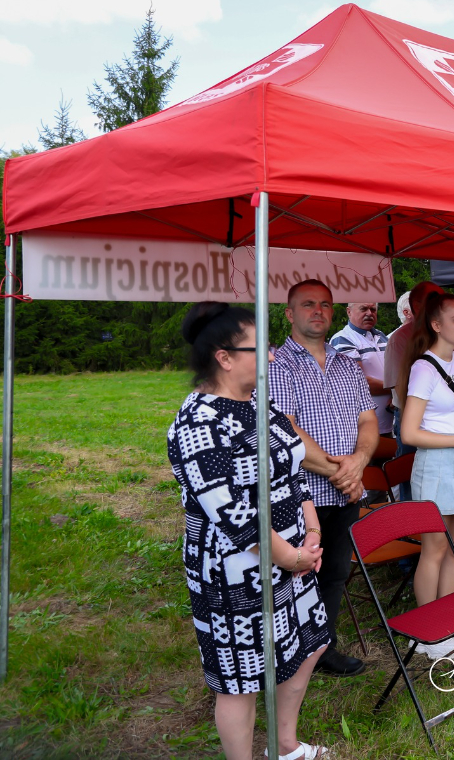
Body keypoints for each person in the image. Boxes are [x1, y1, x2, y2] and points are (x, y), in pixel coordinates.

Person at [168, 303, 332, 760]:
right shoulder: (199, 423)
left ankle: (284, 744)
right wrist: (292, 556)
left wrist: (312, 527)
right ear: (224, 357)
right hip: (236, 574)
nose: (273, 357)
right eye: (261, 348)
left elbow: (291, 465)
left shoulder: (258, 401)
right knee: (240, 680)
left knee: (308, 646)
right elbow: (238, 518)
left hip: (295, 555)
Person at [267, 279, 376, 679]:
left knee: (333, 572)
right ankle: (288, 653)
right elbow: (287, 430)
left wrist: (359, 463)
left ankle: (321, 648)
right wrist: (345, 475)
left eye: (325, 304)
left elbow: (368, 420)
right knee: (294, 577)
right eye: (308, 304)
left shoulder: (348, 363)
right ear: (289, 313)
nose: (318, 311)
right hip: (301, 493)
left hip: (347, 490)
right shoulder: (275, 364)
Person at [397, 292, 454, 658]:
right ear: (436, 325)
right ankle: (426, 630)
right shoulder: (423, 367)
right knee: (433, 550)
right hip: (435, 464)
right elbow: (409, 433)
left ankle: (449, 621)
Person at [386, 281, 440, 458]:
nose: (440, 304)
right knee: (410, 473)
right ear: (416, 305)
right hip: (413, 418)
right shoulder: (400, 339)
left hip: (443, 416)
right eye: (433, 299)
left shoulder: (445, 333)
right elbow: (400, 386)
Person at [331, 302, 393, 436]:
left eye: (373, 309)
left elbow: (397, 369)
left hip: (388, 423)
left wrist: (397, 394)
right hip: (361, 427)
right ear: (349, 311)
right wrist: (396, 389)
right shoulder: (342, 339)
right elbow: (359, 382)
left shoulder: (381, 336)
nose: (369, 313)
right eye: (363, 309)